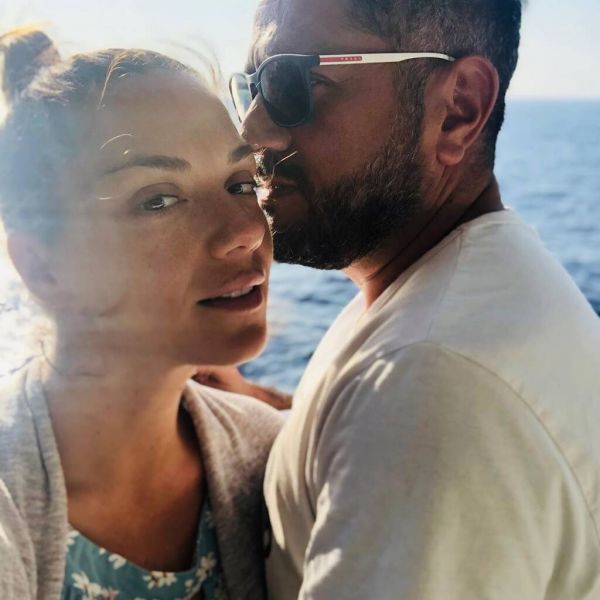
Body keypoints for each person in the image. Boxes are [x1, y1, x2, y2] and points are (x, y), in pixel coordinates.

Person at [225, 0, 600, 597]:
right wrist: (257, 412)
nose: (252, 131)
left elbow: (421, 415)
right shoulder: (448, 295)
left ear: (458, 111)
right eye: (254, 86)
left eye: (292, 81)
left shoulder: (430, 379)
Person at [0, 29, 283, 600]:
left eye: (240, 182)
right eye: (158, 199)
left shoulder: (271, 455)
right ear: (43, 267)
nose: (246, 230)